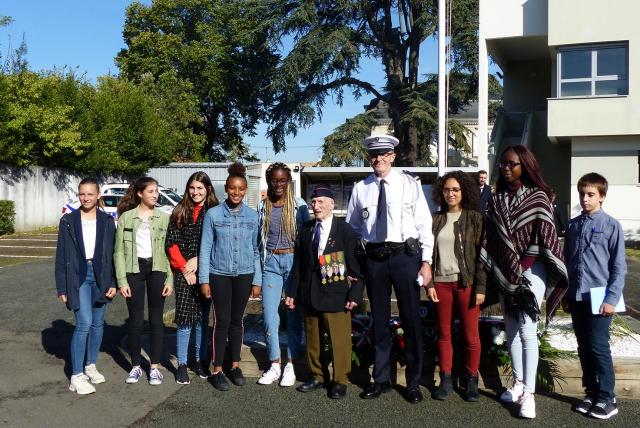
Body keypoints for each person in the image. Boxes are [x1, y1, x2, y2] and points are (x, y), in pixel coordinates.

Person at [480, 145, 568, 419]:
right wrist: (507, 269)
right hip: (506, 272)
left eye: (512, 164)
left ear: (525, 166)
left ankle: (529, 393)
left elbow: (544, 237)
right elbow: (491, 239)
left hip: (532, 269)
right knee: (512, 328)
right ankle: (518, 383)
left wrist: (522, 267)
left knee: (528, 329)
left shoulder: (538, 197)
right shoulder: (496, 200)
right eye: (504, 164)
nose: (506, 168)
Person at [346, 134, 434, 404]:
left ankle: (414, 382)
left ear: (393, 156)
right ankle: (381, 379)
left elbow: (423, 224)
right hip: (375, 259)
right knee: (380, 321)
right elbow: (354, 226)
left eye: (384, 154)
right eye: (374, 155)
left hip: (404, 257)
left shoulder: (409, 184)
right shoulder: (362, 188)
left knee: (411, 320)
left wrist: (427, 261)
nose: (379, 159)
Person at [285, 187, 364, 399]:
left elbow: (356, 269)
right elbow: (299, 266)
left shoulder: (345, 230)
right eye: (313, 202)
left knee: (339, 340)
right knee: (313, 339)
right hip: (310, 292)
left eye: (320, 202)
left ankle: (340, 380)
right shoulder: (307, 229)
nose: (315, 206)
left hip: (336, 294)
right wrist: (292, 291)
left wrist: (355, 295)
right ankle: (318, 376)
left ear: (331, 204)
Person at [564, 173, 627, 420]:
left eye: (591, 194)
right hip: (577, 295)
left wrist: (611, 298)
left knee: (599, 346)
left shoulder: (612, 225)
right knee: (583, 346)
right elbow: (568, 261)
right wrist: (567, 294)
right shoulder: (573, 225)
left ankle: (607, 397)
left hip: (600, 296)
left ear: (602, 196)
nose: (585, 199)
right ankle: (591, 392)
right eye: (582, 194)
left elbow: (619, 266)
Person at [199, 162, 261, 391]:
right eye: (232, 188)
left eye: (241, 189)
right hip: (219, 274)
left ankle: (235, 366)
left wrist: (258, 280)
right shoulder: (213, 215)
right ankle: (217, 370)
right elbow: (205, 248)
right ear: (226, 188)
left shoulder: (252, 216)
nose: (236, 192)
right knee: (221, 322)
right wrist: (204, 280)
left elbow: (256, 250)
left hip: (244, 274)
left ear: (246, 190)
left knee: (237, 322)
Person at [427, 171, 486, 402]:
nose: (451, 194)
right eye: (446, 189)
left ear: (464, 192)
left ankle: (471, 380)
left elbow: (482, 256)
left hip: (466, 284)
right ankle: (446, 380)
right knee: (444, 334)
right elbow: (427, 254)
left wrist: (480, 287)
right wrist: (429, 282)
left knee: (471, 335)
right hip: (440, 284)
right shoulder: (436, 219)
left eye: (455, 189)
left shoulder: (474, 218)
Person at [55, 178, 117, 395]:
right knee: (84, 323)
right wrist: (62, 287)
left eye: (90, 194)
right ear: (78, 195)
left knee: (98, 323)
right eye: (82, 194)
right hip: (78, 276)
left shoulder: (107, 221)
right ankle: (76, 375)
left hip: (101, 276)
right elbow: (61, 256)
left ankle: (91, 365)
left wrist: (113, 282)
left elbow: (112, 254)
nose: (86, 198)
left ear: (98, 195)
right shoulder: (68, 221)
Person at [115, 177, 173, 386]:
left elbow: (169, 252)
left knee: (157, 320)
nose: (155, 195)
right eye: (151, 191)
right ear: (140, 193)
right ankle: (136, 366)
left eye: (157, 191)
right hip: (134, 270)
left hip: (157, 269)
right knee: (136, 320)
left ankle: (155, 367)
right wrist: (122, 280)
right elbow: (118, 251)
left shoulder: (163, 218)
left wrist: (170, 279)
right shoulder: (126, 218)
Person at [256, 162, 310, 387]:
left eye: (282, 180)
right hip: (271, 263)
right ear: (269, 181)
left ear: (289, 182)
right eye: (274, 180)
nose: (278, 184)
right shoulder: (263, 206)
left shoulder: (299, 206)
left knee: (294, 316)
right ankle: (275, 363)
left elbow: (307, 239)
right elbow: (257, 243)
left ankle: (291, 364)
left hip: (293, 262)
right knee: (270, 317)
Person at [165, 172, 218, 384]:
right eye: (192, 188)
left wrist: (199, 260)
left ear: (208, 190)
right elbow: (171, 242)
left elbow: (217, 242)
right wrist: (184, 268)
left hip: (206, 271)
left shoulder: (214, 211)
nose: (196, 192)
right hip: (183, 272)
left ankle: (200, 359)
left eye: (200, 188)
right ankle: (183, 364)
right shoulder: (179, 211)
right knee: (185, 319)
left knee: (203, 319)